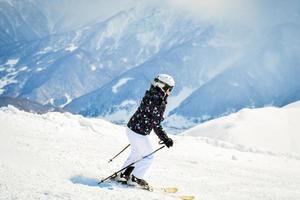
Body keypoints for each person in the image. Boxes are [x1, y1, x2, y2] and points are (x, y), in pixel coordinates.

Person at [115, 74, 175, 188]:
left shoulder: (152, 94)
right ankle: (136, 178)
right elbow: (155, 123)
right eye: (170, 89)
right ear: (163, 86)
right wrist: (165, 139)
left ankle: (124, 175)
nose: (170, 92)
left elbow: (151, 116)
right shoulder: (158, 100)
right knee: (148, 156)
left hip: (132, 128)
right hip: (139, 132)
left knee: (136, 154)